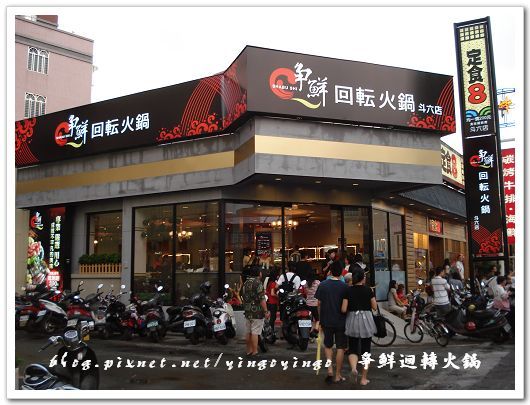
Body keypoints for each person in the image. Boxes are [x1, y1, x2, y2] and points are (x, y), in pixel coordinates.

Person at [315, 261, 349, 384]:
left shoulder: (323, 285)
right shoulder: (345, 287)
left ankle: (330, 369)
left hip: (326, 320)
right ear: (341, 273)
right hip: (341, 321)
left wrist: (319, 319)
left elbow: (318, 304)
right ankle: (338, 374)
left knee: (328, 345)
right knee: (340, 347)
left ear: (330, 271)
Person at [342, 268, 377, 386]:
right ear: (363, 279)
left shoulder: (348, 290)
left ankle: (353, 369)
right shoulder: (368, 290)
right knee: (366, 350)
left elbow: (343, 309)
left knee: (353, 347)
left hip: (352, 319)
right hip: (366, 320)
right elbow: (375, 307)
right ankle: (363, 379)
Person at [240, 265, 270, 357]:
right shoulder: (258, 283)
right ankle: (255, 351)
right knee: (255, 332)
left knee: (248, 331)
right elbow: (262, 299)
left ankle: (248, 350)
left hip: (247, 310)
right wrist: (266, 311)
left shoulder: (245, 283)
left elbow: (242, 295)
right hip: (257, 311)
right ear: (259, 273)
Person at [305, 268, 321, 338]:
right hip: (315, 304)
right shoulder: (318, 282)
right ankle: (315, 331)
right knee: (317, 319)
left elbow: (305, 293)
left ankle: (308, 333)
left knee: (309, 320)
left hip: (307, 304)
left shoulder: (306, 283)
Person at [265, 268, 279, 336]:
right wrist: (278, 296)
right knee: (273, 318)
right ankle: (271, 331)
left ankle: (269, 331)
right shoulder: (273, 283)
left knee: (270, 317)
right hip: (273, 302)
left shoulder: (269, 283)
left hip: (269, 302)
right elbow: (272, 293)